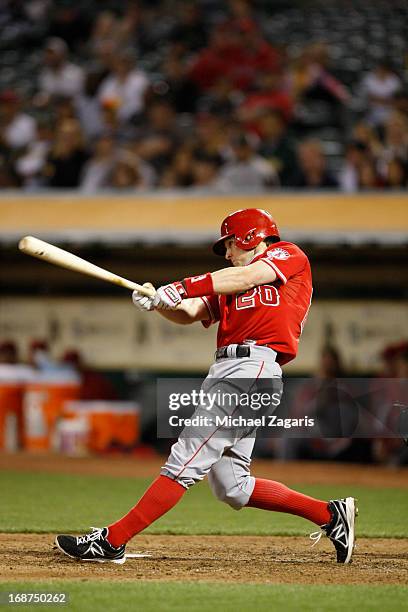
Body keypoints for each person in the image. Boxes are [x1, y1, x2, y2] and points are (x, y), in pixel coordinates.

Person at [55, 208, 357, 565]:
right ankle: (329, 515)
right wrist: (159, 303)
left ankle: (112, 540)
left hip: (252, 367)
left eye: (230, 243)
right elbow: (191, 310)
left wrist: (180, 286)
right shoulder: (230, 283)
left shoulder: (286, 254)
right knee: (232, 485)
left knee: (184, 460)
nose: (227, 252)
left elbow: (246, 276)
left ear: (250, 237)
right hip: (230, 368)